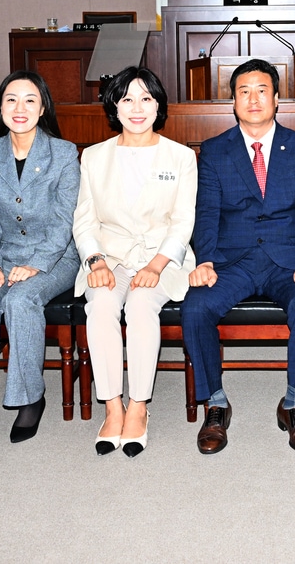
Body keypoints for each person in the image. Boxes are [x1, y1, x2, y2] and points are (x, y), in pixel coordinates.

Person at [182, 59, 295, 456]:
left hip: (288, 259)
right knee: (195, 307)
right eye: (244, 91)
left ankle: (294, 404)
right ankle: (216, 403)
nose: (253, 98)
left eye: (262, 90)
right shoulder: (213, 150)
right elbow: (206, 210)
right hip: (233, 260)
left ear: (277, 99)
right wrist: (205, 260)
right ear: (233, 102)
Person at [73, 67, 197, 457]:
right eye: (126, 98)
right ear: (114, 106)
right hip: (108, 257)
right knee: (102, 304)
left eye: (146, 98)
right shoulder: (93, 157)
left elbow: (183, 221)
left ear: (158, 105)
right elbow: (84, 220)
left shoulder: (180, 156)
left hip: (162, 258)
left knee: (142, 307)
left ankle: (139, 406)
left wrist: (156, 265)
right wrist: (95, 262)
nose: (137, 107)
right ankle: (112, 406)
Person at [0, 71, 80, 444]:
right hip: (4, 254)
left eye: (30, 99)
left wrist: (37, 264)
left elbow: (65, 221)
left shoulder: (63, 153)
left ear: (43, 107)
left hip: (55, 257)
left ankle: (31, 396)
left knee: (21, 298)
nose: (20, 108)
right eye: (11, 99)